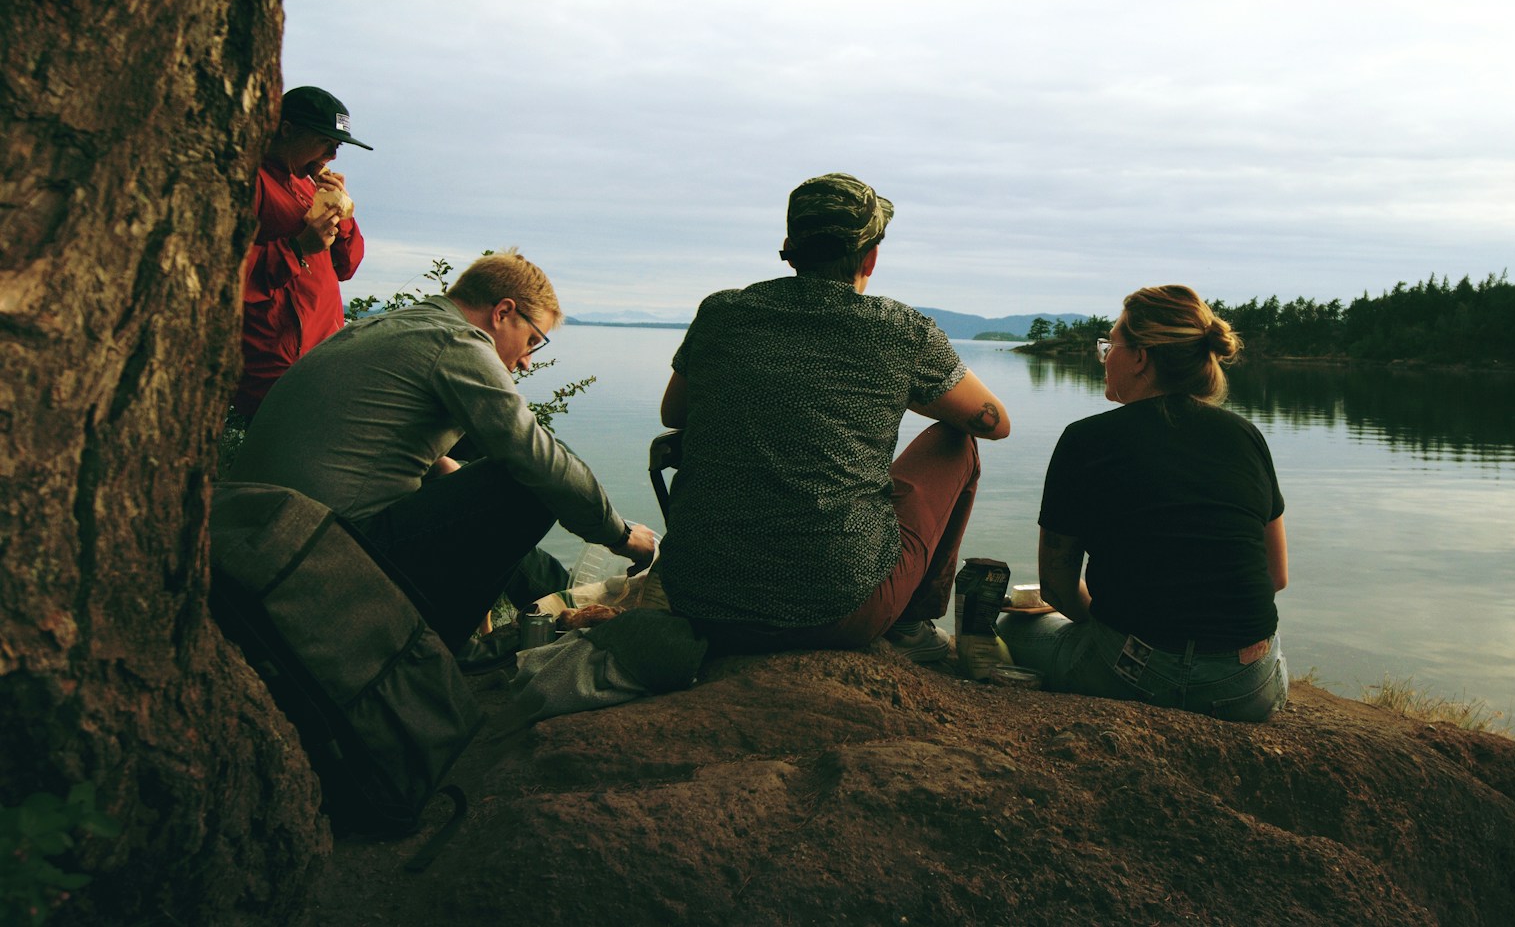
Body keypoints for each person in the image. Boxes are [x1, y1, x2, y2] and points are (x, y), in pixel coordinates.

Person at [652, 173, 1012, 660]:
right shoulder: (900, 330)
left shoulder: (722, 313)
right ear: (871, 257)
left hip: (700, 602)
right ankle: (909, 624)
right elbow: (994, 424)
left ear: (789, 248)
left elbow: (673, 412)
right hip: (839, 612)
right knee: (957, 444)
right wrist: (895, 388)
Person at [229, 249, 657, 646]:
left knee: (493, 475)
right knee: (528, 480)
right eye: (532, 341)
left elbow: (367, 437)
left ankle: (558, 605)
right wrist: (618, 535)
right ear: (503, 312)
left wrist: (439, 466)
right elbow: (538, 458)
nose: (528, 360)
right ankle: (436, 651)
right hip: (325, 558)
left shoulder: (390, 328)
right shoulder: (457, 343)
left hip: (261, 541)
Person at [999, 285, 1290, 722]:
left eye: (1110, 344)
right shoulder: (1246, 436)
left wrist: (1112, 620)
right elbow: (1275, 575)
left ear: (1140, 357)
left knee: (1012, 627)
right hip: (1248, 686)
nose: (1105, 356)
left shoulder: (1086, 439)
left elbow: (1058, 587)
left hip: (1132, 671)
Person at [233, 85, 370, 420]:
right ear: (287, 130)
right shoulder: (252, 181)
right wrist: (298, 248)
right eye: (326, 141)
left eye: (337, 146)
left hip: (324, 357)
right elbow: (228, 275)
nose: (333, 155)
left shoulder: (309, 183)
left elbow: (346, 265)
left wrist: (343, 212)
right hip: (276, 364)